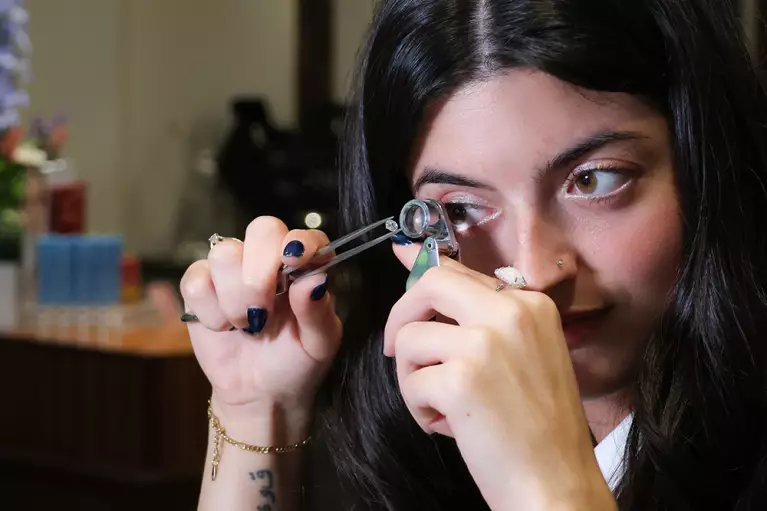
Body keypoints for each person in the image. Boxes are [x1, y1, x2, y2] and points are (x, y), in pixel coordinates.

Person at [179, 0, 767, 509]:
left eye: (594, 181)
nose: (534, 275)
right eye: (458, 210)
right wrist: (258, 410)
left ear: (702, 165)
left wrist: (550, 489)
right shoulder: (403, 446)